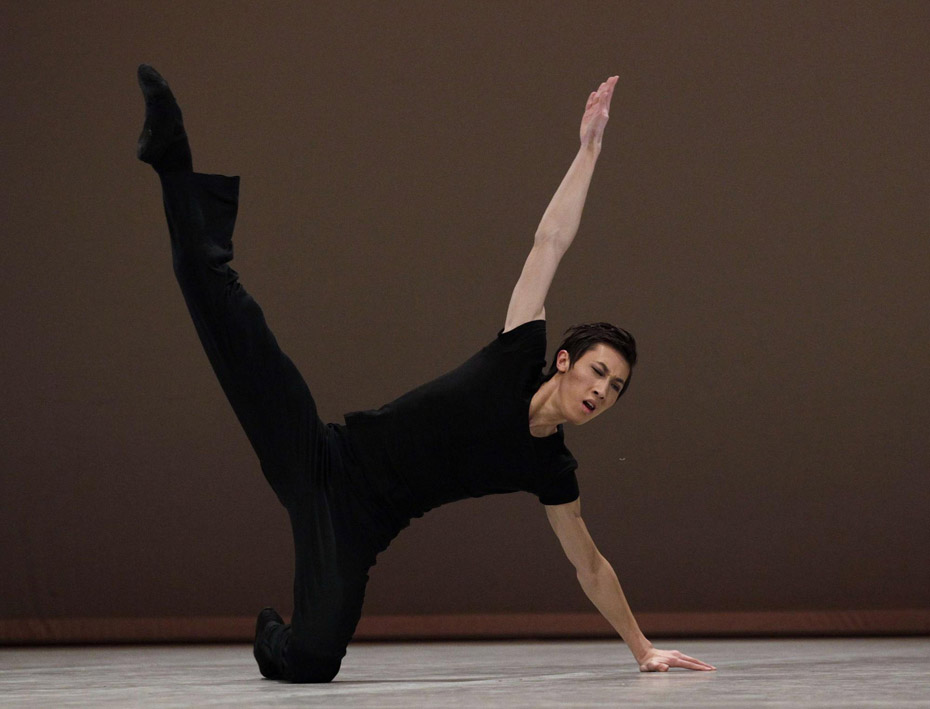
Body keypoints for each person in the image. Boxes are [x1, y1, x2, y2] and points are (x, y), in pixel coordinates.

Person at [136, 64, 716, 681]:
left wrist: (643, 647)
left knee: (311, 662)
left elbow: (591, 566)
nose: (602, 391)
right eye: (599, 371)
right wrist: (589, 149)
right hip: (324, 456)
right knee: (230, 317)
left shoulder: (551, 468)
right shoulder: (516, 353)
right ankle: (174, 163)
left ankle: (271, 635)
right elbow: (550, 242)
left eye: (616, 387)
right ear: (566, 363)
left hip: (358, 527)